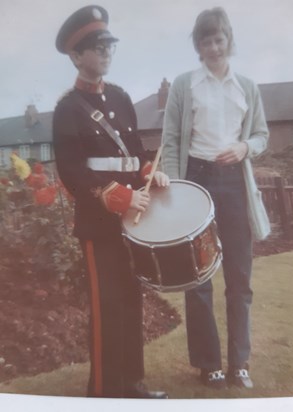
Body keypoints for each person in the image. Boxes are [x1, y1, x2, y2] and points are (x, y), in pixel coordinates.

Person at [53, 5, 169, 399]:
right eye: (96, 47)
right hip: (99, 226)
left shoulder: (120, 97)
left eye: (108, 46)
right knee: (107, 309)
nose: (105, 53)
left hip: (132, 225)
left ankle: (132, 385)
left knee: (131, 302)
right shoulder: (68, 108)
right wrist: (116, 197)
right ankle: (103, 393)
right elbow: (71, 170)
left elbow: (134, 154)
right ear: (76, 55)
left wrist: (151, 173)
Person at [162, 7, 270, 389]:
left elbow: (261, 135)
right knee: (199, 276)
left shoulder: (247, 86)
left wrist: (244, 147)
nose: (213, 47)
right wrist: (176, 190)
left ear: (229, 40)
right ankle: (210, 364)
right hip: (197, 181)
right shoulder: (185, 84)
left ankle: (240, 362)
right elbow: (171, 139)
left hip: (234, 185)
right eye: (205, 41)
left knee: (239, 276)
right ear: (198, 46)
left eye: (218, 39)